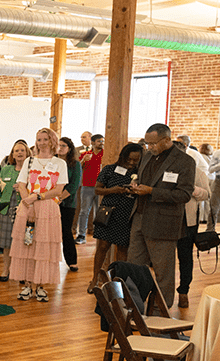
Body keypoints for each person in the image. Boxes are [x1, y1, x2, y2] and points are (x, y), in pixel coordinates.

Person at [128, 123, 195, 308]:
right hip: (139, 217)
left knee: (162, 271)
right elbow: (141, 178)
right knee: (134, 267)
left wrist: (151, 191)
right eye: (147, 143)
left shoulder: (184, 161)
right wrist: (136, 186)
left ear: (167, 140)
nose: (149, 147)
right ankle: (134, 307)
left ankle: (161, 312)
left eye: (153, 143)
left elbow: (184, 195)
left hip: (163, 223)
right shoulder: (148, 156)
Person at [10, 128, 67, 302]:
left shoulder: (60, 164)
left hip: (49, 209)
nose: (42, 143)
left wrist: (38, 197)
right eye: (39, 139)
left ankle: (41, 285)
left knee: (44, 247)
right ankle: (27, 285)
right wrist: (29, 202)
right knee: (27, 245)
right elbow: (21, 184)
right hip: (28, 207)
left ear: (52, 141)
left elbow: (59, 189)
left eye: (45, 139)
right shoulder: (29, 161)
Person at [88, 142, 143, 293]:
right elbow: (98, 189)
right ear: (123, 157)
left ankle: (118, 281)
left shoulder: (141, 173)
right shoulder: (110, 169)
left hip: (127, 215)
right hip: (108, 213)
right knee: (102, 247)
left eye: (135, 160)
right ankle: (95, 278)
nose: (131, 163)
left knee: (122, 250)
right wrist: (113, 190)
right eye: (129, 159)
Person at [174, 140, 212, 309]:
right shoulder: (162, 171)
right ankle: (160, 292)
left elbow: (207, 194)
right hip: (165, 220)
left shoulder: (196, 171)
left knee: (185, 256)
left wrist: (193, 190)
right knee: (164, 258)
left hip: (188, 220)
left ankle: (184, 291)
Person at [0, 139, 30, 282]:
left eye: (22, 150)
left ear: (27, 153)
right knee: (6, 243)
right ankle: (6, 270)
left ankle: (22, 272)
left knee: (24, 243)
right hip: (6, 209)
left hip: (25, 209)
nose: (19, 153)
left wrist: (24, 188)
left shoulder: (32, 171)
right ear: (12, 154)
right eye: (16, 150)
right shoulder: (6, 169)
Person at [57, 137, 82, 273]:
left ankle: (72, 261)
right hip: (50, 200)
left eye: (63, 146)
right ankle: (52, 260)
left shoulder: (75, 164)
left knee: (66, 232)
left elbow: (74, 185)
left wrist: (59, 197)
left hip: (67, 203)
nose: (60, 148)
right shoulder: (52, 162)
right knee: (50, 233)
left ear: (69, 148)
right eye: (58, 145)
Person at [74, 133, 103, 245]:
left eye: (102, 141)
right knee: (84, 211)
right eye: (99, 141)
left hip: (101, 187)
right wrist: (83, 161)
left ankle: (99, 235)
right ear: (93, 142)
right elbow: (79, 169)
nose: (101, 143)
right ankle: (81, 235)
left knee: (100, 211)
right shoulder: (85, 154)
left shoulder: (105, 154)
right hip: (87, 186)